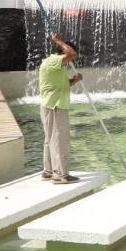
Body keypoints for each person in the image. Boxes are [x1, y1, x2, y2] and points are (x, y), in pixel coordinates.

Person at [39, 33, 83, 184]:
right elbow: (71, 53)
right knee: (59, 139)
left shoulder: (54, 64)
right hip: (56, 106)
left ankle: (48, 172)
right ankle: (60, 175)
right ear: (63, 52)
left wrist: (74, 81)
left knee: (50, 139)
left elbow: (60, 85)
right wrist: (58, 40)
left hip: (50, 105)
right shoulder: (55, 61)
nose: (71, 60)